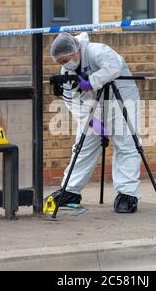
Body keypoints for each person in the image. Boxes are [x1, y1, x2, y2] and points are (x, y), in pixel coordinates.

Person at [47, 32, 142, 213]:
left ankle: (127, 194)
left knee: (126, 145)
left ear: (76, 51)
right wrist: (91, 123)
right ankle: (70, 190)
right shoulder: (66, 71)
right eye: (60, 62)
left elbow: (114, 66)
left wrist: (91, 82)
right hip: (93, 106)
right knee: (82, 147)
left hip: (121, 99)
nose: (65, 65)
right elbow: (71, 101)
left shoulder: (96, 51)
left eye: (66, 60)